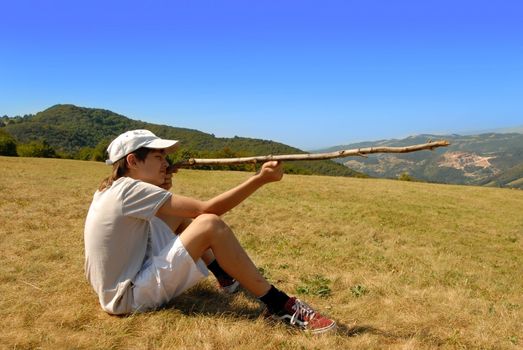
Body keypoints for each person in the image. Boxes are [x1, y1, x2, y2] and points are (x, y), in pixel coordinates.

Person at [84, 129, 336, 334]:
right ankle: (279, 305)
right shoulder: (130, 190)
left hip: (116, 288)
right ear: (132, 160)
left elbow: (166, 216)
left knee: (178, 216)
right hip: (127, 298)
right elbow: (208, 209)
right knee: (210, 224)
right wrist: (260, 179)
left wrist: (161, 187)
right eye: (158, 157)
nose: (166, 163)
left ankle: (224, 276)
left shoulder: (112, 188)